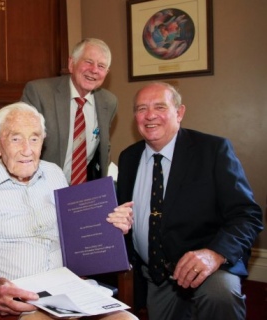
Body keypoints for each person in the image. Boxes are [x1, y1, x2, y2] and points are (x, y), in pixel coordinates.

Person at [0, 102, 137, 320]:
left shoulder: (54, 174)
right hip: (17, 302)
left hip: (67, 290)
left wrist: (110, 228)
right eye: (15, 138)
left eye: (34, 138)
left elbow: (75, 236)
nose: (27, 150)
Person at [107, 82, 263, 320]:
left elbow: (247, 215)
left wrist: (214, 254)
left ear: (179, 113)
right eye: (141, 109)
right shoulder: (129, 158)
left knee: (221, 296)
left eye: (160, 106)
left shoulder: (212, 151)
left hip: (210, 268)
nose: (149, 115)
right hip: (154, 274)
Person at [21, 38, 117, 184]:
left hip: (81, 192)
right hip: (40, 188)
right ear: (72, 64)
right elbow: (19, 144)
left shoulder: (109, 102)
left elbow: (102, 151)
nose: (94, 70)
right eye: (88, 62)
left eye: (101, 66)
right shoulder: (39, 93)